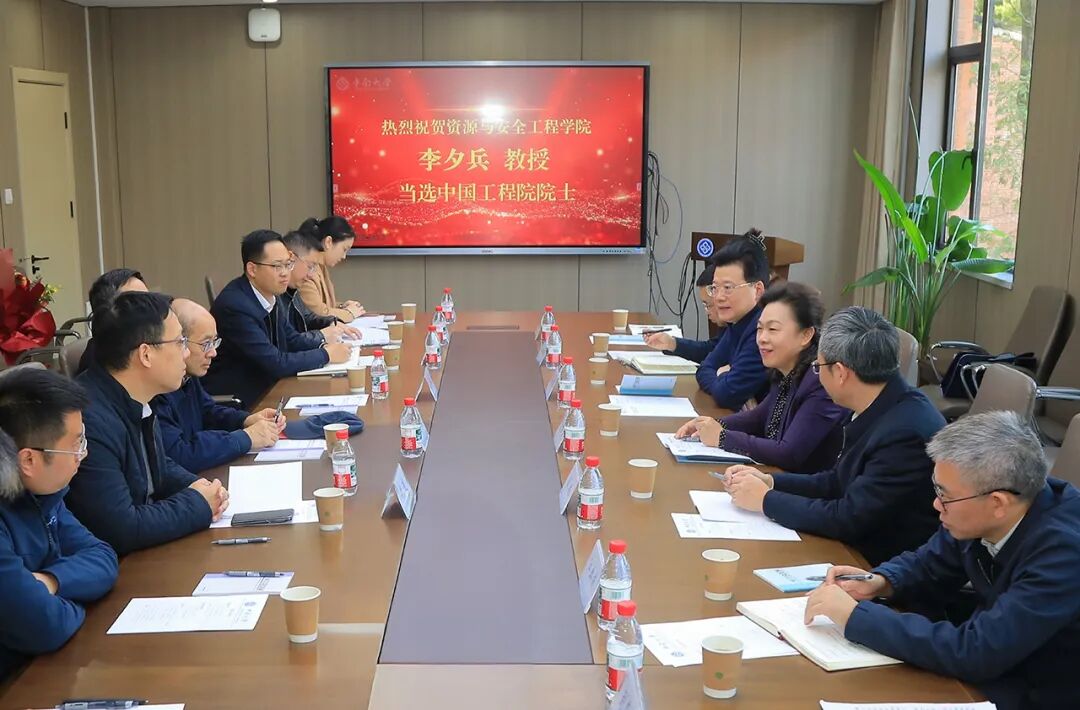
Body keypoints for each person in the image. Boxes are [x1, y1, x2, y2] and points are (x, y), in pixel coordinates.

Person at [805, 412, 1080, 710]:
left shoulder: (1064, 551)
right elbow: (930, 562)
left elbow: (978, 652)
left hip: (1043, 688)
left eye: (944, 496)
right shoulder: (986, 508)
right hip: (1004, 666)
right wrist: (880, 582)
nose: (936, 504)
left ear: (998, 503)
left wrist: (855, 617)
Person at [725, 306, 944, 565]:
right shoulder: (880, 400)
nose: (817, 374)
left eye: (818, 367)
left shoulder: (904, 434)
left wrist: (766, 501)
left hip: (878, 564)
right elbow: (837, 481)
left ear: (840, 373)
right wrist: (771, 482)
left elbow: (847, 518)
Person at [68, 291, 229, 555]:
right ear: (145, 354)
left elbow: (156, 465)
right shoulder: (89, 421)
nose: (186, 353)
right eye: (180, 342)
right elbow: (122, 528)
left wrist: (198, 487)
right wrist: (198, 504)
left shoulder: (135, 397)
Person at [0, 369, 118, 681]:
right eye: (76, 444)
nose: (84, 454)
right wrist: (77, 598)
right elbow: (44, 626)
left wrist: (50, 581)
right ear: (28, 460)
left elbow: (103, 557)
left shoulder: (44, 493)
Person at [676, 282, 847, 472]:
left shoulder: (821, 380)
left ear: (806, 335)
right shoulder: (786, 370)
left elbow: (789, 453)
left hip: (803, 486)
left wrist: (723, 437)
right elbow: (758, 417)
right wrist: (711, 424)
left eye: (772, 329)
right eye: (759, 329)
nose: (762, 338)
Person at [202, 230, 350, 408]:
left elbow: (291, 340)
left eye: (288, 264)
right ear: (252, 269)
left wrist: (325, 346)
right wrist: (326, 355)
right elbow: (275, 363)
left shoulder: (270, 294)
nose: (285, 273)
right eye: (277, 266)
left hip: (269, 388)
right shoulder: (236, 307)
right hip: (243, 402)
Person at [152, 299, 284, 473]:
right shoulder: (156, 389)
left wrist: (245, 420)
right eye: (206, 344)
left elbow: (208, 412)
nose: (213, 352)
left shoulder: (188, 375)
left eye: (214, 342)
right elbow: (180, 454)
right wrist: (245, 438)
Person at [647, 233, 769, 409]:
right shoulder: (738, 324)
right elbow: (704, 368)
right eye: (715, 288)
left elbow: (727, 394)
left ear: (757, 290)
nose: (718, 297)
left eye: (728, 287)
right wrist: (721, 375)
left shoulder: (762, 331)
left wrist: (721, 377)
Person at [280, 230, 360, 346]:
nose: (311, 275)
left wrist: (332, 322)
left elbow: (308, 317)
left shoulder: (292, 289)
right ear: (291, 258)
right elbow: (287, 343)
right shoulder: (275, 292)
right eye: (310, 266)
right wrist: (322, 337)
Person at [76, 268, 149, 375]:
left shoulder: (146, 341)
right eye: (140, 302)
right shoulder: (102, 361)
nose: (151, 307)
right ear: (111, 310)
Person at [296, 216, 364, 323]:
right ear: (328, 242)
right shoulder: (305, 270)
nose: (344, 256)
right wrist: (349, 313)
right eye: (344, 249)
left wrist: (342, 306)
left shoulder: (320, 266)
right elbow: (317, 312)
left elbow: (324, 305)